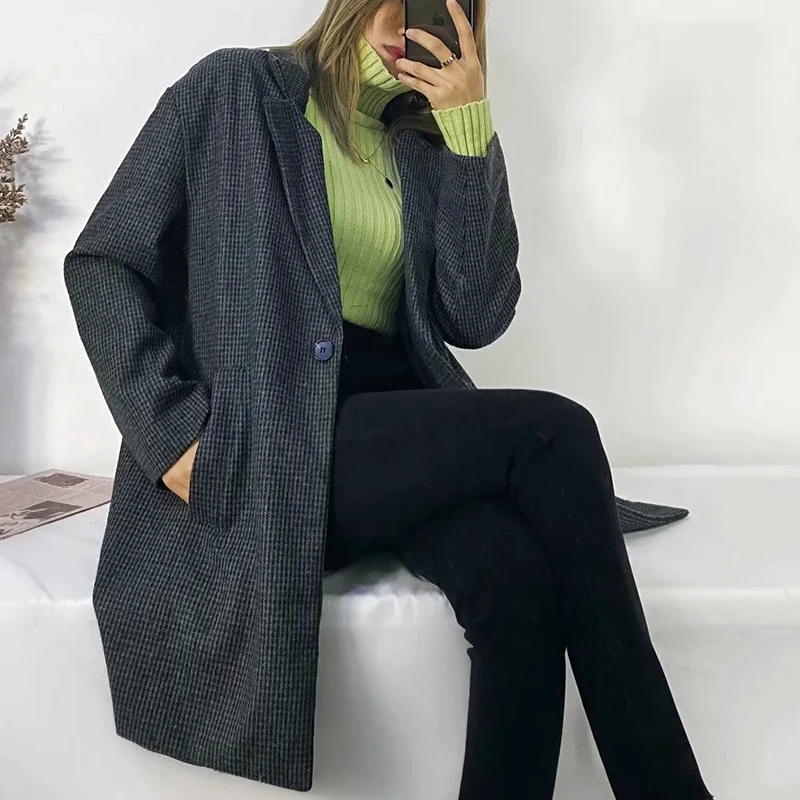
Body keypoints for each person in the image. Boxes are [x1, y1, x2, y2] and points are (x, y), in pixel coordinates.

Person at [63, 0, 713, 798]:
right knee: (555, 430)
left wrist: (469, 134)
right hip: (274, 441)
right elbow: (104, 262)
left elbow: (475, 316)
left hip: (392, 431)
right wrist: (170, 434)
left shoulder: (424, 148)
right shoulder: (235, 91)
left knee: (516, 581)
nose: (415, 15)